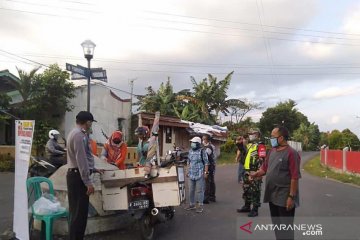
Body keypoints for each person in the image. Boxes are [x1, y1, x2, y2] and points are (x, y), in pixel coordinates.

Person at [250, 126, 301, 240]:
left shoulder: (292, 153)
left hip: (284, 196)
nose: (271, 139)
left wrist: (291, 197)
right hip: (272, 194)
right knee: (277, 225)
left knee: (285, 226)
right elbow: (264, 168)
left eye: (273, 137)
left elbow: (294, 177)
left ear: (281, 138)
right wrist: (256, 174)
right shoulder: (272, 151)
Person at [66, 111, 102, 240]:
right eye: (91, 122)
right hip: (77, 177)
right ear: (87, 122)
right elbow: (81, 160)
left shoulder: (74, 133)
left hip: (75, 175)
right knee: (78, 214)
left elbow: (84, 158)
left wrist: (94, 169)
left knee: (78, 213)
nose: (91, 125)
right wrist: (88, 182)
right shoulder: (79, 135)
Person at [237, 128, 266, 217]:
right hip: (247, 171)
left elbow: (262, 160)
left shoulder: (260, 146)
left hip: (255, 172)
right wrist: (239, 144)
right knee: (247, 189)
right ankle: (247, 206)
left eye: (252, 134)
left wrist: (258, 173)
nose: (250, 135)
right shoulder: (250, 145)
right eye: (250, 134)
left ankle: (255, 209)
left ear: (257, 135)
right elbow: (243, 152)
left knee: (255, 190)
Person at [185, 136, 209, 213]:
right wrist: (187, 171)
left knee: (199, 191)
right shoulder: (190, 151)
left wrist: (205, 172)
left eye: (194, 143)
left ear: (198, 144)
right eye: (192, 142)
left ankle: (200, 206)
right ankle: (191, 204)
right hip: (191, 173)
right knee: (191, 190)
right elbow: (188, 162)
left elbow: (206, 163)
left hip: (200, 173)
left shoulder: (202, 151)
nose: (192, 144)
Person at [202, 134, 216, 203]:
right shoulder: (206, 147)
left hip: (209, 167)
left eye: (204, 139)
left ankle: (206, 198)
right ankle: (212, 196)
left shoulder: (209, 147)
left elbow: (206, 156)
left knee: (207, 181)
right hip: (209, 166)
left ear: (207, 140)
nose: (203, 141)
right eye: (202, 139)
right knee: (210, 181)